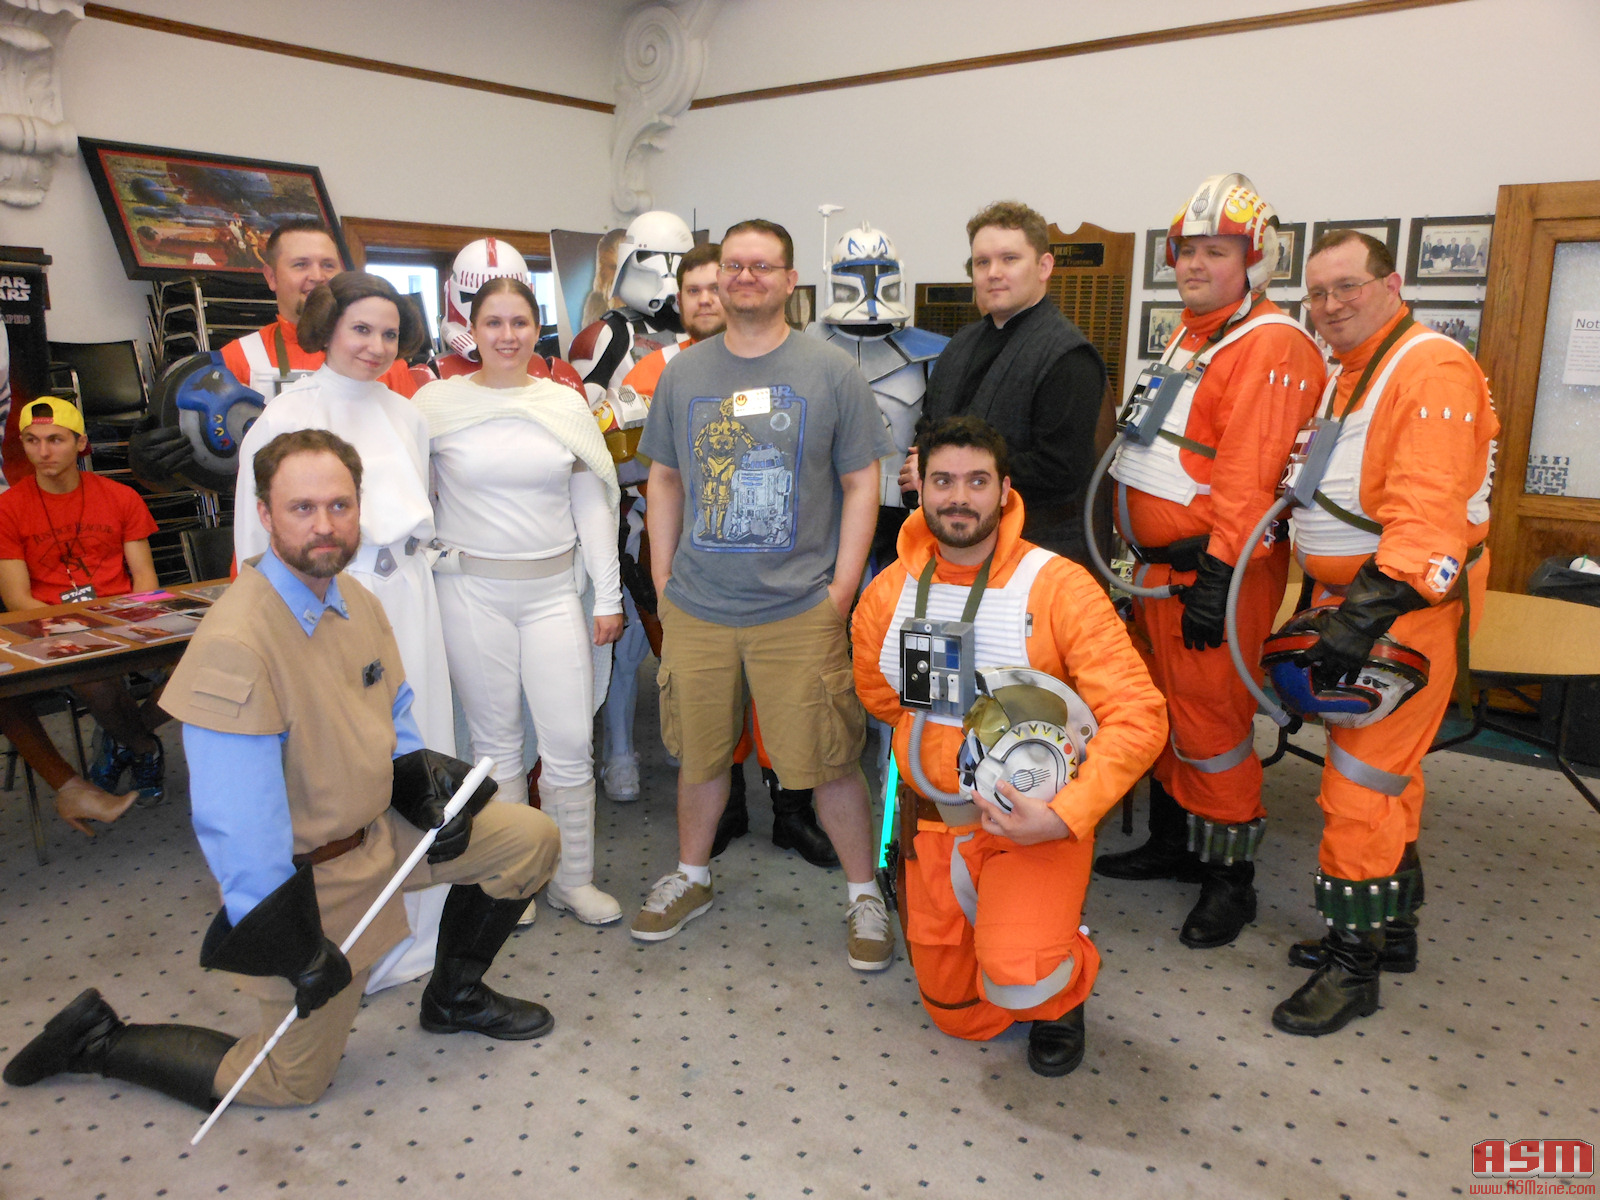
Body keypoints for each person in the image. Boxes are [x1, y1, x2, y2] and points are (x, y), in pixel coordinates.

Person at [2, 430, 560, 1111]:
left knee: (528, 839)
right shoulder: (237, 644)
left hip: (381, 832)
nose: (324, 525)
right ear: (265, 514)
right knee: (289, 1083)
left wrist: (417, 779)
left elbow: (392, 708)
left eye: (339, 505)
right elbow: (236, 826)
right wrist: (289, 944)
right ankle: (96, 1040)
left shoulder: (355, 599)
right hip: (310, 882)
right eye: (302, 508)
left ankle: (454, 998)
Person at [853, 415, 1166, 1076]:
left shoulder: (1058, 586)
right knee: (956, 1011)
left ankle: (1059, 983)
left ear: (1004, 490)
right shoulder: (886, 595)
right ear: (918, 487)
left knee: (1021, 977)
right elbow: (879, 696)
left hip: (1035, 827)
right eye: (942, 481)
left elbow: (1139, 715)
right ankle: (1014, 940)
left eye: (976, 481)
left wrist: (1064, 815)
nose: (958, 498)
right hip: (934, 825)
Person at [630, 218, 895, 968]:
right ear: (717, 279)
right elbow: (665, 480)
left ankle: (864, 894)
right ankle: (691, 876)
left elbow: (862, 482)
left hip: (798, 607)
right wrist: (662, 581)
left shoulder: (830, 371)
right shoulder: (684, 373)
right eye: (733, 266)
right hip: (699, 606)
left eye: (762, 267)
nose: (745, 278)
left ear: (789, 281)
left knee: (828, 759)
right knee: (700, 756)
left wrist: (841, 589)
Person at [1269, 230, 1496, 1036]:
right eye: (1317, 293)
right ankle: (1390, 929)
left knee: (1360, 785)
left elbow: (1428, 519)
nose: (1330, 305)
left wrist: (1360, 618)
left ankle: (1352, 967)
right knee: (1386, 774)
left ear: (1391, 285)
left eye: (1347, 288)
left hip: (1401, 607)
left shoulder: (1429, 370)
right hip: (1361, 598)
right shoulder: (1355, 371)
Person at [1093, 174, 1326, 950]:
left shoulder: (1270, 345)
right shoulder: (1197, 334)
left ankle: (1231, 880)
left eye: (1216, 251)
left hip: (1213, 576)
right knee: (1162, 710)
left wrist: (1219, 579)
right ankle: (1176, 844)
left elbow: (1250, 478)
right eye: (1187, 250)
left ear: (1256, 260)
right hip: (1160, 571)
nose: (1194, 264)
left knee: (1213, 724)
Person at [234, 271, 453, 991]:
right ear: (327, 327)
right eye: (361, 329)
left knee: (420, 748)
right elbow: (255, 538)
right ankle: (365, 936)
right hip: (331, 604)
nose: (376, 345)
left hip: (411, 597)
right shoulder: (285, 417)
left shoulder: (407, 413)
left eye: (389, 332)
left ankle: (426, 923)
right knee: (352, 765)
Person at [412, 277, 625, 926]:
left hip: (554, 593)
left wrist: (608, 597)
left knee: (570, 740)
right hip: (470, 592)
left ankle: (573, 879)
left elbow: (593, 506)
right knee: (495, 745)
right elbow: (413, 501)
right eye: (494, 323)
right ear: (471, 331)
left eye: (520, 323)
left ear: (537, 330)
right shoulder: (433, 405)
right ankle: (511, 879)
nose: (507, 335)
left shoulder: (563, 404)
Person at [130, 220, 419, 487]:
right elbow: (205, 466)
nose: (317, 276)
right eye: (300, 264)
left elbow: (415, 457)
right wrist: (155, 465)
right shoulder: (239, 359)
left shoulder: (383, 361)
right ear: (271, 276)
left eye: (328, 265)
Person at [914, 201, 1108, 565]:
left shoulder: (1069, 357)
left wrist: (957, 476)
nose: (993, 273)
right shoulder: (959, 345)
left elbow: (1059, 470)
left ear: (1044, 267)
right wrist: (922, 463)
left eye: (1009, 259)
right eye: (982, 262)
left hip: (1035, 553)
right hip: (951, 549)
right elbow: (928, 427)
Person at [0, 397, 168, 818]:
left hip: (125, 617)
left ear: (81, 443)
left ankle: (122, 737)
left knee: (210, 661)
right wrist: (75, 629)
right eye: (32, 440)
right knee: (93, 672)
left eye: (55, 440)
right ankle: (143, 746)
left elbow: (145, 578)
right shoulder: (8, 508)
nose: (43, 451)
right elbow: (17, 599)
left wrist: (134, 618)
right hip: (52, 626)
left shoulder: (120, 496)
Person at [599, 240, 723, 804]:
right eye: (694, 290)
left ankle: (699, 746)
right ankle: (621, 751)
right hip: (655, 531)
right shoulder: (653, 365)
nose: (705, 300)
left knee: (717, 663)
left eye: (714, 288)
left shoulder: (766, 359)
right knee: (632, 649)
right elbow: (617, 455)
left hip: (738, 541)